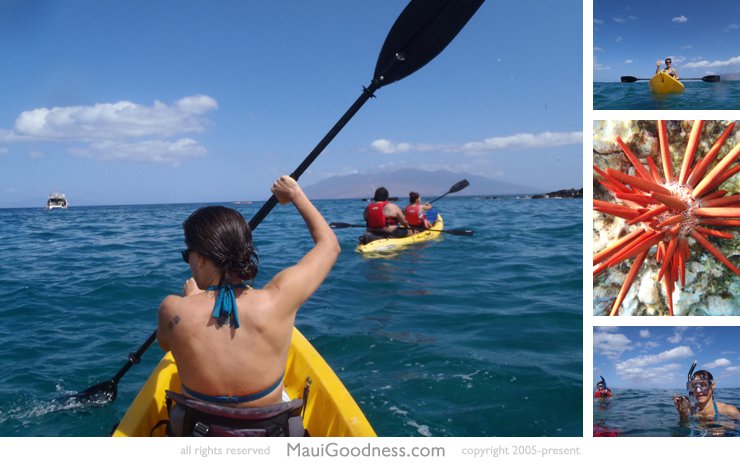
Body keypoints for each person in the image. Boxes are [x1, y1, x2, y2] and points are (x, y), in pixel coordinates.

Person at [157, 175, 340, 435]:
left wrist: (191, 301)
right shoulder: (278, 299)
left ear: (199, 259)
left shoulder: (172, 309)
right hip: (270, 434)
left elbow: (166, 344)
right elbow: (329, 246)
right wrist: (296, 194)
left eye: (188, 254)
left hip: (198, 434)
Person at [673, 362, 740, 422]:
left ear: (712, 385)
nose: (698, 390)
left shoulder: (729, 411)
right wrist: (682, 415)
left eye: (703, 385)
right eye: (693, 386)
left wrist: (726, 427)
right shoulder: (690, 410)